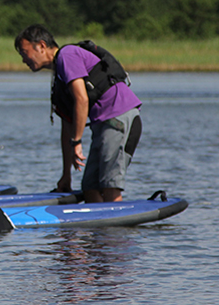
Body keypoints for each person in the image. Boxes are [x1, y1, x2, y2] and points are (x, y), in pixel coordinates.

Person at [14, 24, 142, 203]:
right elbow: (67, 126)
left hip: (119, 117)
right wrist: (66, 175)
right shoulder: (59, 76)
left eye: (24, 52)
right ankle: (99, 228)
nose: (23, 60)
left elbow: (82, 99)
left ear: (41, 46)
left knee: (109, 185)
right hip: (103, 124)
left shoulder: (67, 55)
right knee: (90, 188)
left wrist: (78, 141)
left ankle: (115, 229)